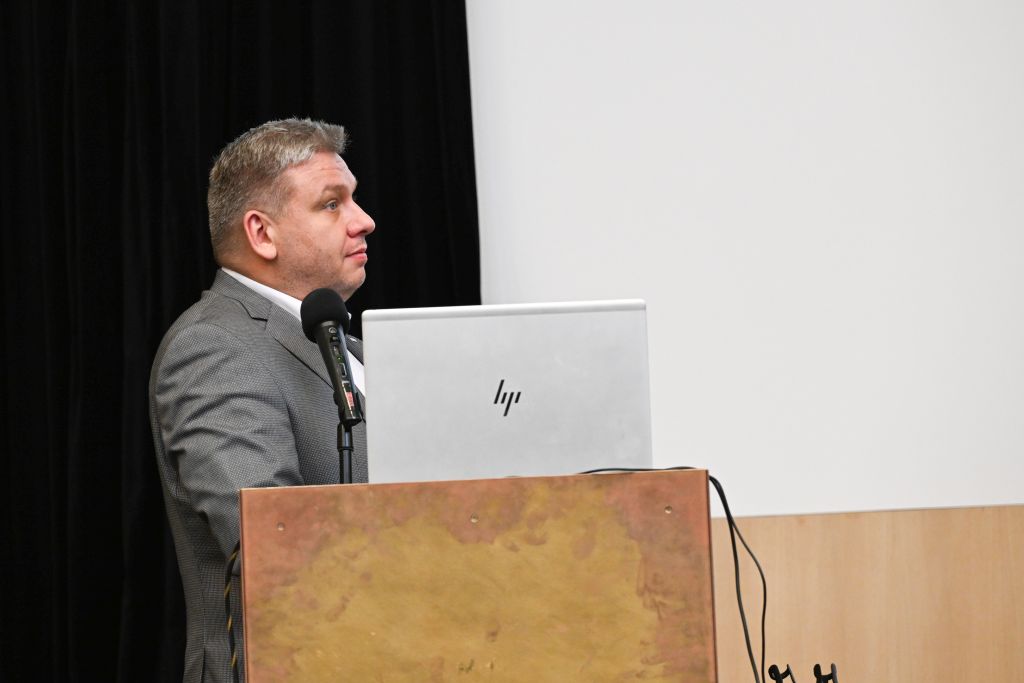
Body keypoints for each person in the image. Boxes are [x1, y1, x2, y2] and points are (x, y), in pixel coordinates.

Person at [149, 118, 376, 683]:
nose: (363, 220)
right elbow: (275, 541)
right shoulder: (213, 347)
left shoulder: (341, 341)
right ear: (262, 233)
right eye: (332, 204)